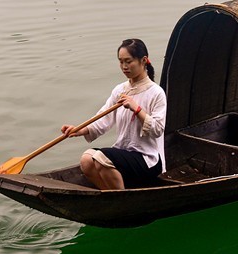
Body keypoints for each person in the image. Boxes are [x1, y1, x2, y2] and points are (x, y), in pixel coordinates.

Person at [60, 38, 166, 190]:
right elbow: (103, 119)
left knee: (101, 158)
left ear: (143, 61)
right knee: (87, 160)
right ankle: (112, 195)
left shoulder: (156, 93)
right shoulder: (120, 90)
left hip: (147, 159)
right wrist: (79, 130)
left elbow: (158, 130)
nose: (124, 67)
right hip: (124, 153)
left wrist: (137, 110)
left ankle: (120, 199)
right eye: (121, 62)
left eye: (128, 61)